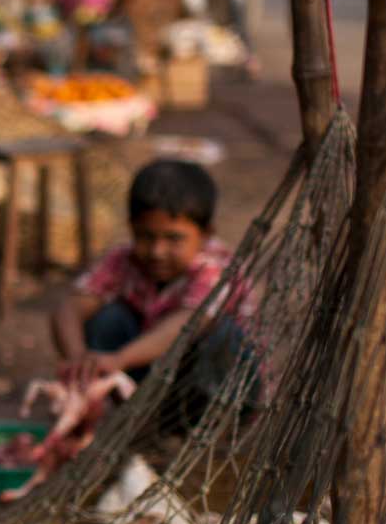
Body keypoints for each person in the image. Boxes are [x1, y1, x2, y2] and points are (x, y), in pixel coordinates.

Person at [50, 160, 247, 434]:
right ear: (131, 227)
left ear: (206, 235)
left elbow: (188, 323)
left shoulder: (217, 267)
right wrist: (78, 359)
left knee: (221, 334)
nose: (157, 251)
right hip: (151, 378)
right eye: (145, 236)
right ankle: (132, 416)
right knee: (108, 319)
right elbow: (70, 307)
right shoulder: (123, 260)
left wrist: (121, 358)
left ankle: (214, 430)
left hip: (207, 387)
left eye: (174, 239)